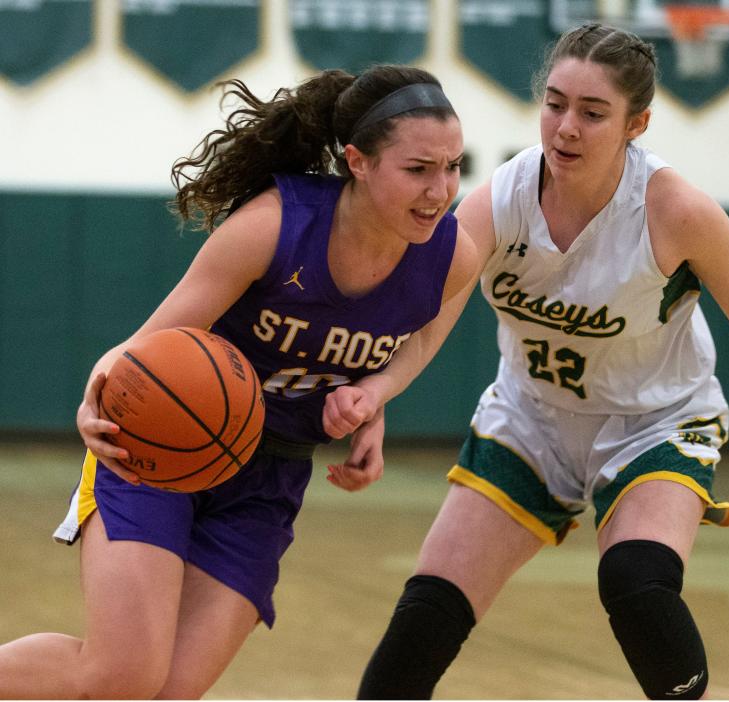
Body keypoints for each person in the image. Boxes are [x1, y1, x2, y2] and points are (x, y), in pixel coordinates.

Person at [338, 23, 729, 700]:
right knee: (422, 623)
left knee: (636, 585)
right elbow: (426, 320)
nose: (565, 127)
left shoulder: (674, 210)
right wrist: (376, 396)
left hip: (655, 422)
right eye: (554, 103)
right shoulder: (499, 201)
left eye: (593, 112)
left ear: (637, 123)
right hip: (532, 417)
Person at [0, 64, 477, 699]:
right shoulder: (276, 225)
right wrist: (98, 390)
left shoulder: (453, 256)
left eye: (453, 167)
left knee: (168, 692)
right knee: (122, 676)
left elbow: (415, 343)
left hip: (267, 479)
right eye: (418, 169)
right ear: (358, 162)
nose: (439, 190)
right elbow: (141, 346)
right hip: (159, 452)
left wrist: (375, 396)